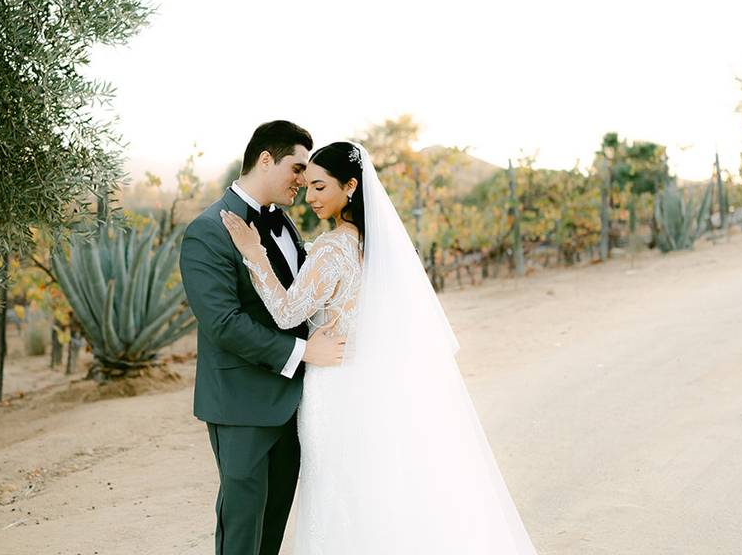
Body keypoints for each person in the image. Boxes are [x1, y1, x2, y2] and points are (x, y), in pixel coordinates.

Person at [220, 141, 539, 554]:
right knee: (375, 487)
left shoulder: (333, 248)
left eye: (320, 187)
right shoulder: (379, 249)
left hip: (334, 387)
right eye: (308, 187)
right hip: (371, 382)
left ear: (350, 186)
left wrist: (254, 255)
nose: (311, 197)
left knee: (338, 488)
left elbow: (285, 314)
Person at [179, 121, 347, 555]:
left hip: (296, 402)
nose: (303, 180)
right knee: (241, 530)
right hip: (242, 405)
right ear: (265, 159)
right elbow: (223, 322)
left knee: (273, 528)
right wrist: (306, 350)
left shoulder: (286, 225)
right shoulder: (207, 231)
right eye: (297, 168)